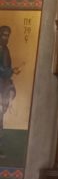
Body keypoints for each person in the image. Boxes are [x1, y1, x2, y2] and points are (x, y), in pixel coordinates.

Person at [0, 26, 19, 157]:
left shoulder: (6, 49)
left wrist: (12, 71)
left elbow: (6, 68)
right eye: (4, 35)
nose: (6, 38)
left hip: (4, 85)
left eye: (7, 35)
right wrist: (11, 71)